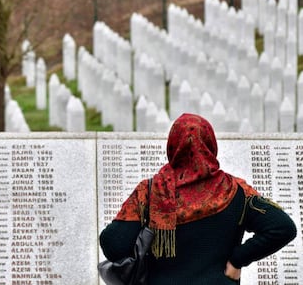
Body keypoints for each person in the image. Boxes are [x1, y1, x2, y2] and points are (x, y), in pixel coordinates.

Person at [99, 113, 297, 284]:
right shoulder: (235, 191)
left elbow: (114, 245)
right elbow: (282, 227)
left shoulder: (150, 192)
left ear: (172, 146)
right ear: (211, 145)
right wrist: (237, 260)